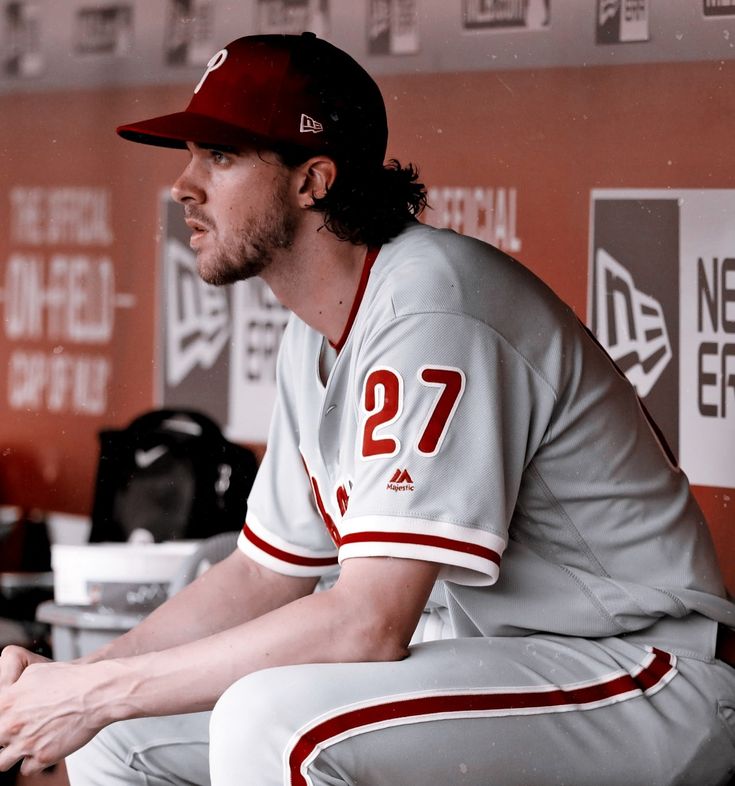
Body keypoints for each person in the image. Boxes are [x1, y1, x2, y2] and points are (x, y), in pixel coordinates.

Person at [1, 31, 735, 786]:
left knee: (269, 721)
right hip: (506, 664)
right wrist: (75, 683)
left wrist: (95, 693)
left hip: (640, 673)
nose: (185, 186)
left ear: (311, 179)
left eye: (220, 158)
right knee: (115, 738)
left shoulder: (430, 306)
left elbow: (368, 623)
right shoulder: (313, 330)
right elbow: (262, 574)